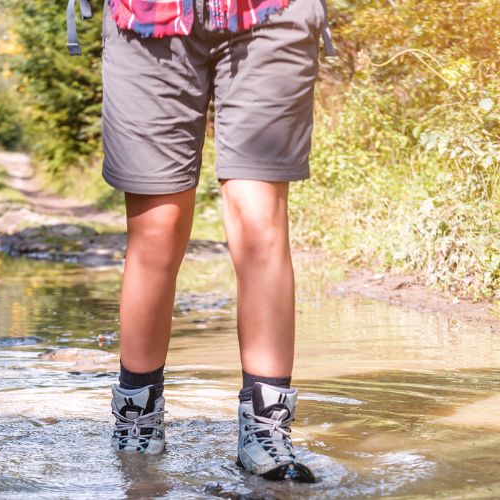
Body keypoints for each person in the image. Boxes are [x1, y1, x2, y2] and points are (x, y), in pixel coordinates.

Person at [67, 0, 332, 483]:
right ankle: (137, 421)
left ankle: (267, 430)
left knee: (259, 223)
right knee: (157, 229)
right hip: (146, 18)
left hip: (271, 14)